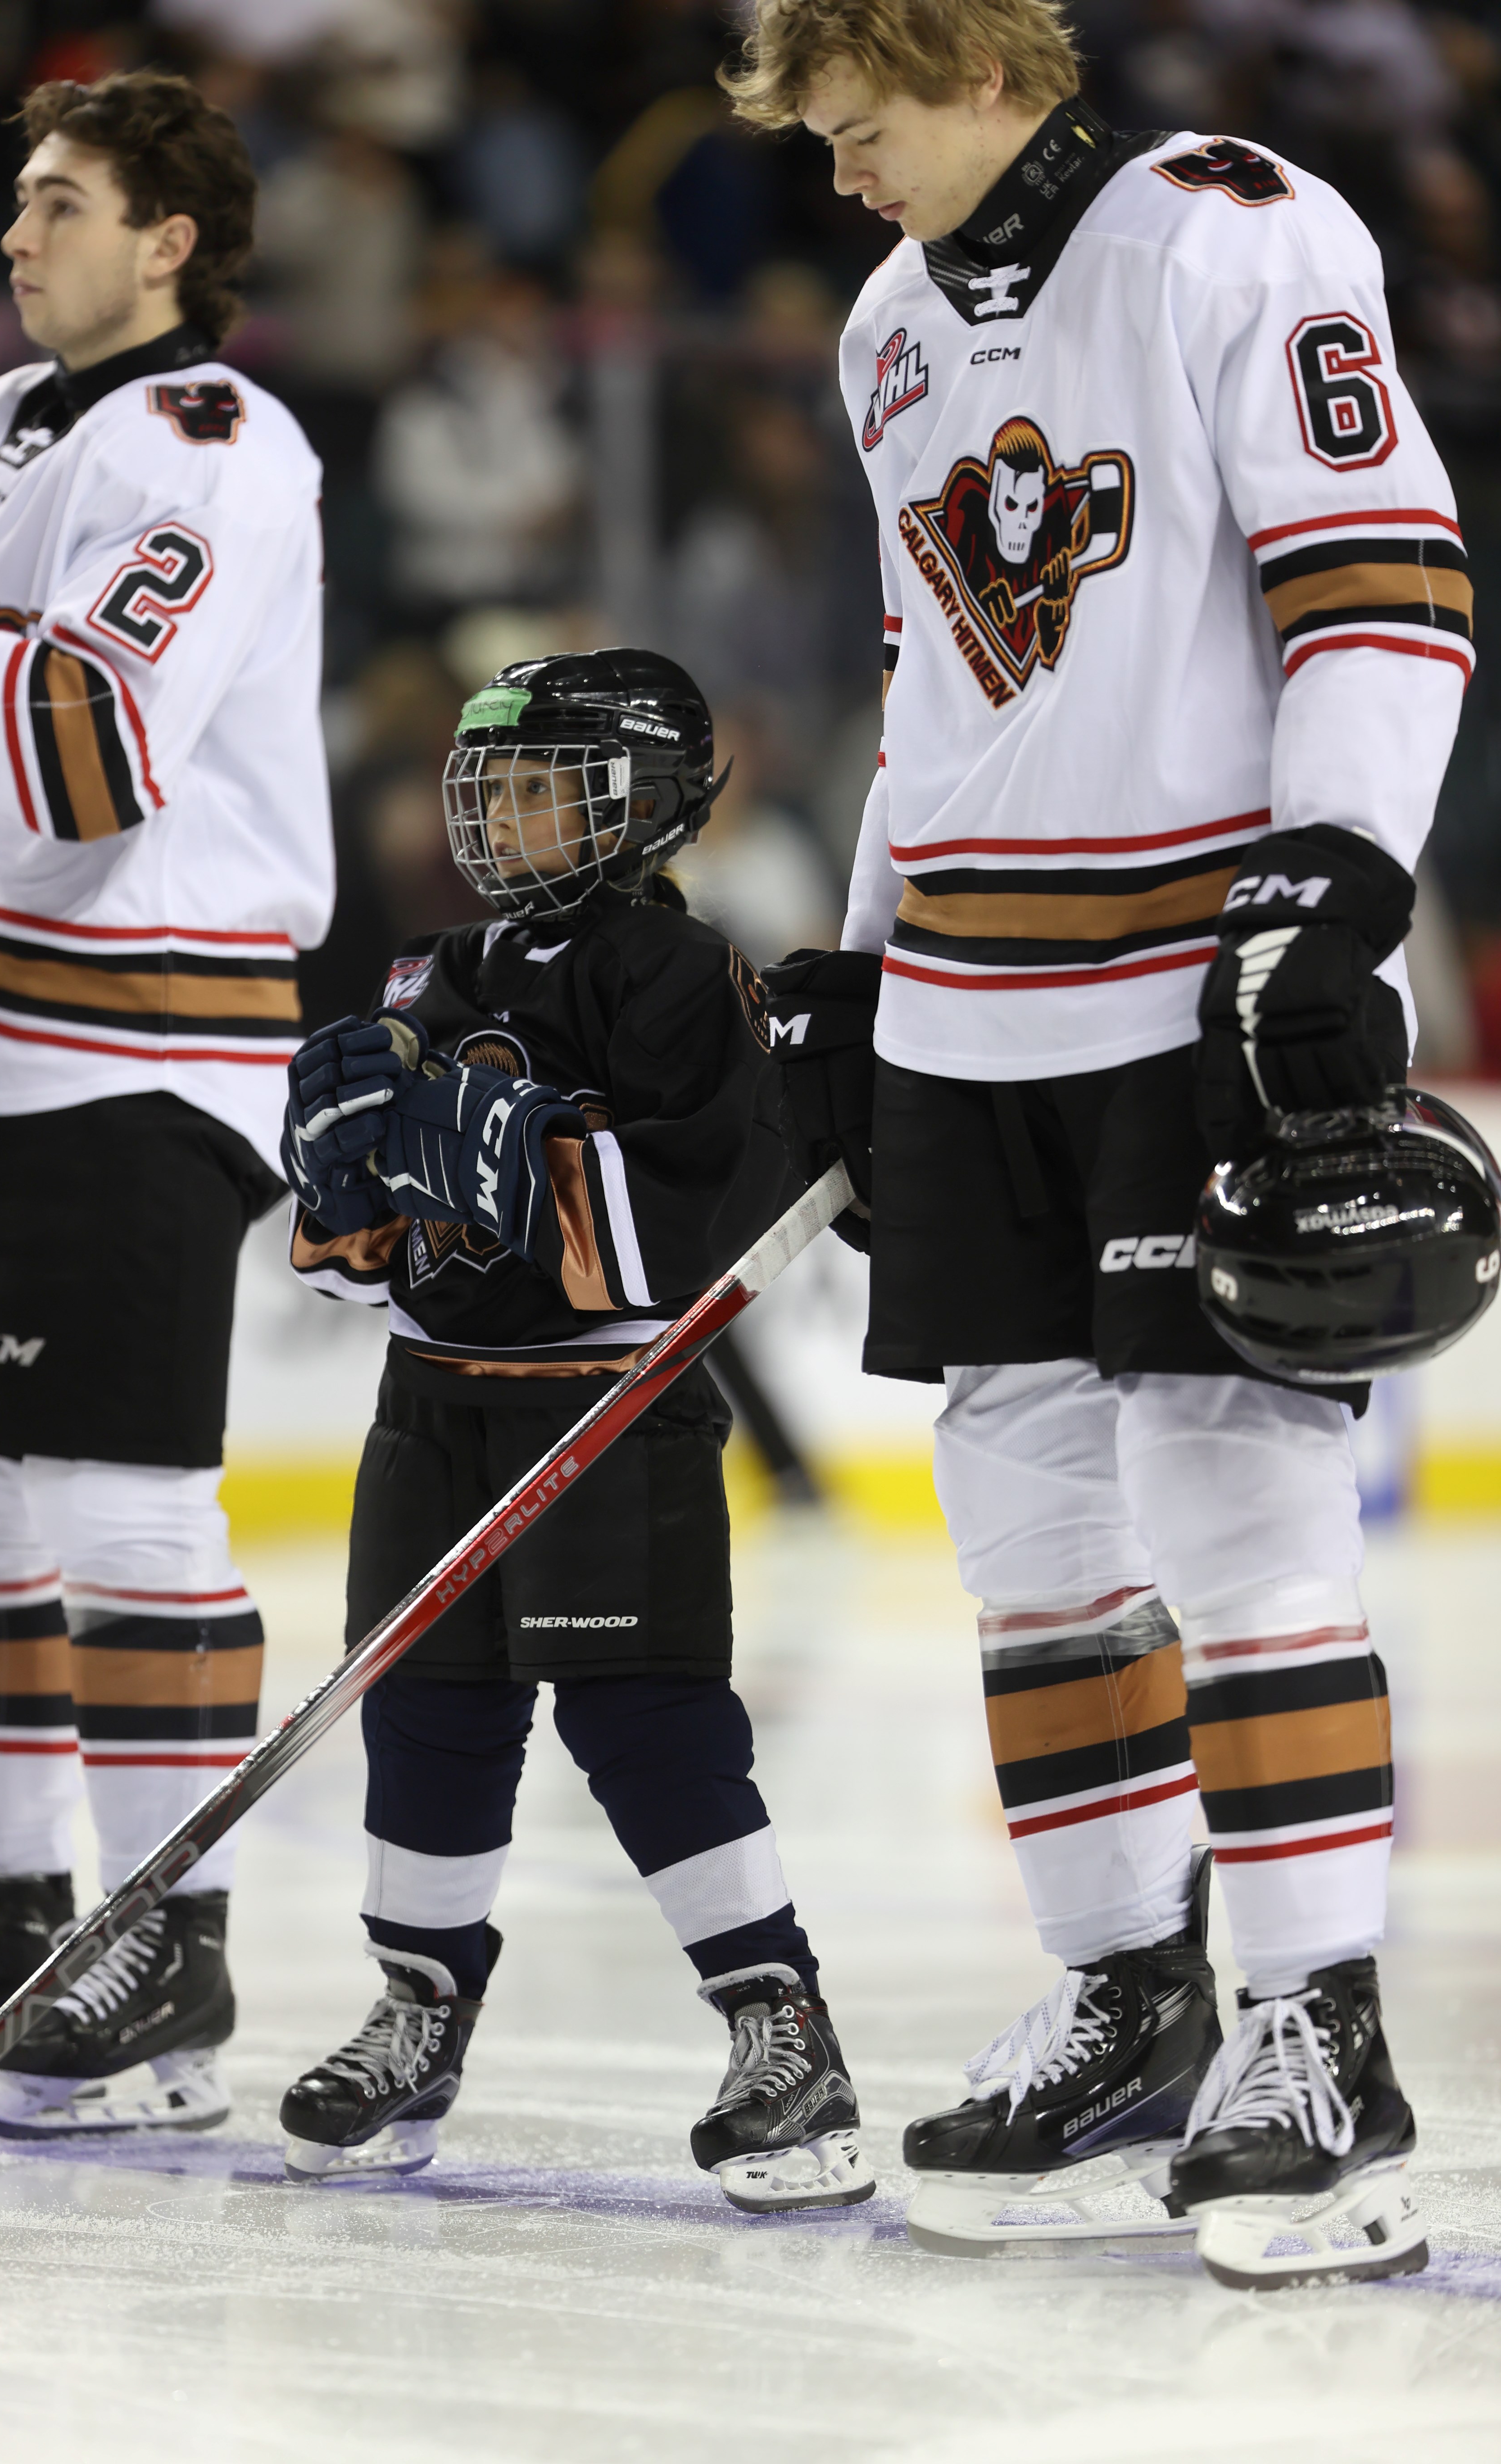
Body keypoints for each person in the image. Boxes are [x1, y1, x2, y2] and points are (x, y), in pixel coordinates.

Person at [727, 0, 1467, 2285]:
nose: (840, 178)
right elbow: (928, 680)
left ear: (956, 63)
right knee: (1029, 1535)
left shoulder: (1229, 232)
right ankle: (1128, 1995)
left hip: (1190, 986)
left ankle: (1315, 2030)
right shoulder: (886, 321)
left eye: (855, 128)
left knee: (1240, 1525)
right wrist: (858, 969)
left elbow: (1381, 561)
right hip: (971, 1004)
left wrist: (1343, 873)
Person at [0, 71, 333, 2135]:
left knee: (122, 1506)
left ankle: (171, 1938)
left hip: (152, 1035)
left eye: (63, 204)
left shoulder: (217, 448)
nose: (16, 233)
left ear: (171, 239)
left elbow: (81, 748)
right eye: (20, 200)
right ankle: (7, 1900)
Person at [273, 648, 873, 2213]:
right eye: (490, 788)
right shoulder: (424, 972)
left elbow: (673, 1236)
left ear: (648, 805)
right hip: (430, 1414)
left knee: (645, 1720)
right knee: (427, 1721)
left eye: (541, 788)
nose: (500, 818)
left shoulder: (680, 978)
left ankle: (778, 2021)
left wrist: (482, 1157)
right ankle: (417, 2008)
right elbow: (366, 1272)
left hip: (610, 1413)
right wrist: (346, 1203)